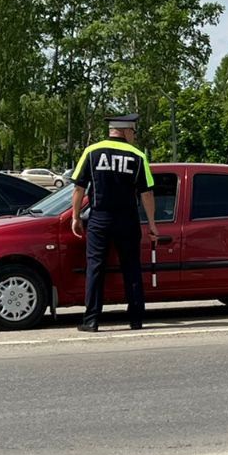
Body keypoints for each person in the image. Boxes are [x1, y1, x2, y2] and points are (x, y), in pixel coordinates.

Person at [71, 113, 159, 332]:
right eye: (134, 132)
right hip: (127, 219)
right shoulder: (138, 156)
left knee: (95, 268)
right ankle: (136, 319)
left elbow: (78, 187)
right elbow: (146, 193)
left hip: (100, 218)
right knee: (131, 267)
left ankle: (91, 320)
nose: (134, 137)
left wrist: (74, 217)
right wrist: (152, 223)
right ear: (126, 131)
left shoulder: (92, 152)